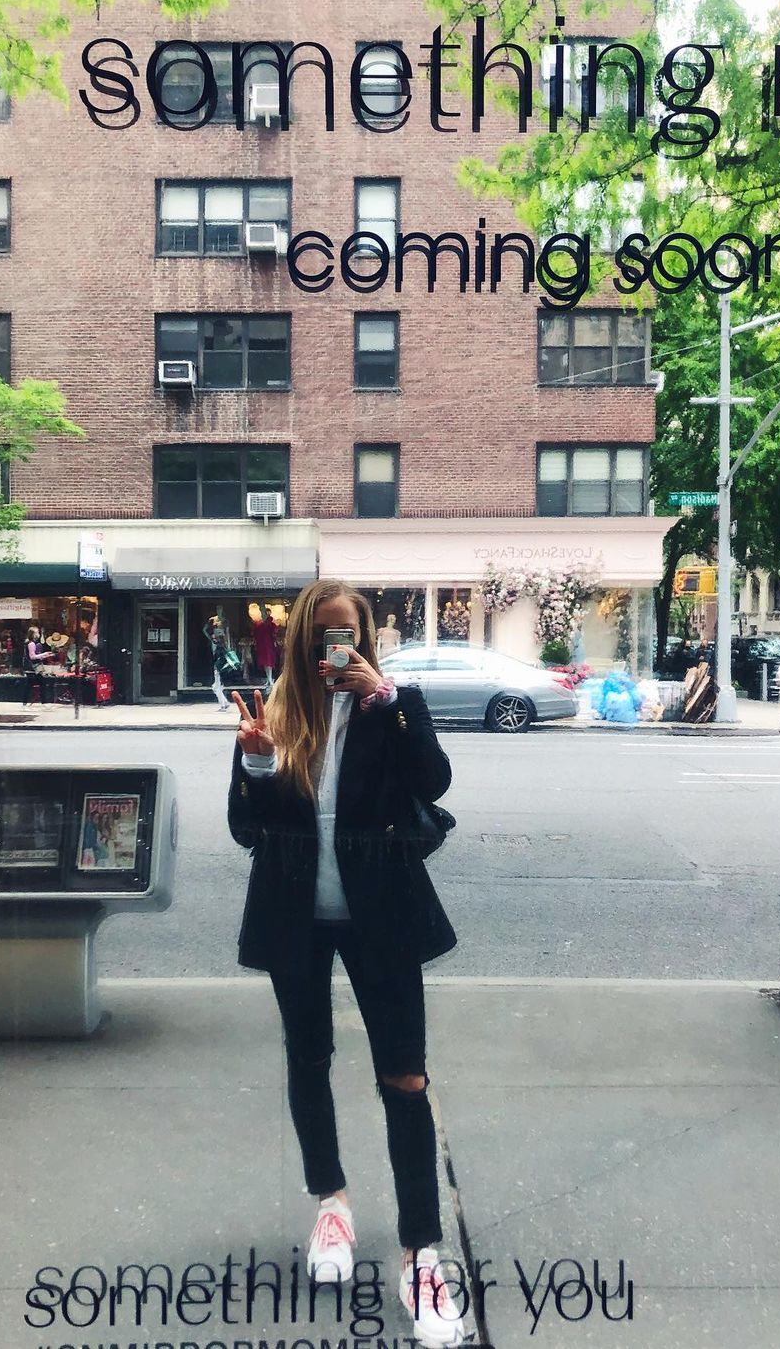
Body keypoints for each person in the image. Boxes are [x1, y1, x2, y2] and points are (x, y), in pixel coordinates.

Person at [227, 578, 464, 1349]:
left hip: (382, 914)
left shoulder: (394, 706)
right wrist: (256, 764)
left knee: (406, 1077)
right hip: (295, 914)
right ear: (303, 641)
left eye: (348, 635)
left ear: (363, 639)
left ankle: (421, 1253)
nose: (336, 649)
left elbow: (434, 781)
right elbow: (244, 828)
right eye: (323, 636)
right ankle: (331, 1204)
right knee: (308, 1059)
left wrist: (384, 699)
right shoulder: (275, 712)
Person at [21, 625, 53, 706]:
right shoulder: (31, 644)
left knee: (32, 685)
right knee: (39, 683)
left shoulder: (31, 643)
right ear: (33, 634)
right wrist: (44, 654)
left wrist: (44, 655)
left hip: (32, 667)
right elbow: (32, 656)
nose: (38, 634)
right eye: (37, 632)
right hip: (32, 667)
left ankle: (26, 702)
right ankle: (43, 702)